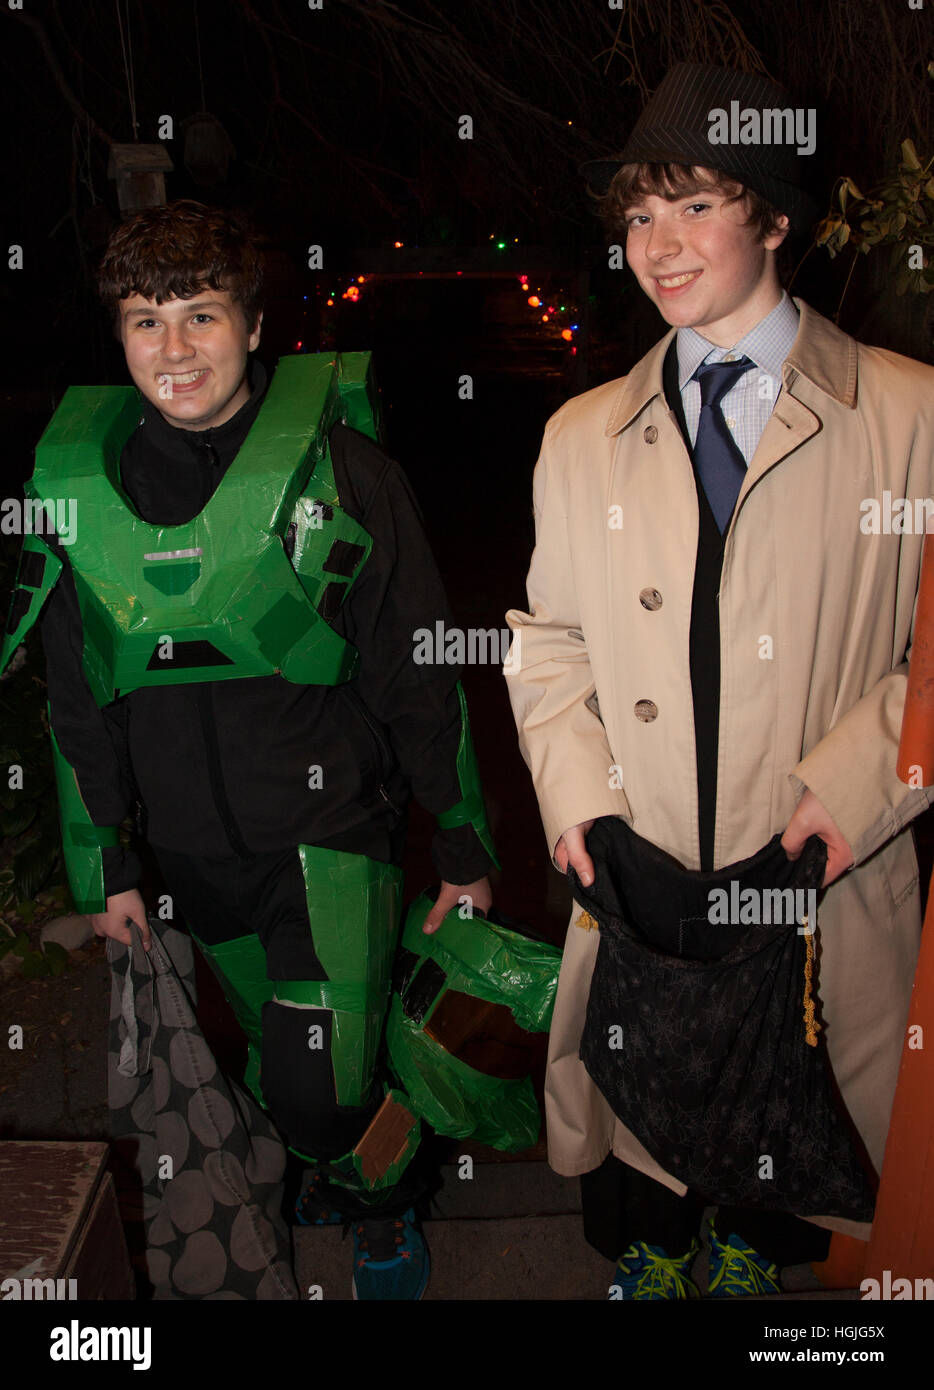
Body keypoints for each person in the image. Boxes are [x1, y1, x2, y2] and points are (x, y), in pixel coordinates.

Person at [1, 199, 496, 1301]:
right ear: (118, 337)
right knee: (281, 1070)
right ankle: (330, 1157)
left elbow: (416, 668)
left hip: (328, 841)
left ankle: (385, 1194)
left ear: (256, 325)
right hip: (187, 856)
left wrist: (459, 837)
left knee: (321, 1089)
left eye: (200, 315)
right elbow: (77, 702)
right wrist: (110, 868)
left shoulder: (348, 474)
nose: (172, 351)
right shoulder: (79, 495)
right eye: (144, 321)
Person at [505, 63, 934, 1298]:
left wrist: (857, 786)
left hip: (819, 853)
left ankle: (756, 1249)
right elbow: (547, 637)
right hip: (635, 864)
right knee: (641, 1091)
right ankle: (653, 1246)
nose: (658, 244)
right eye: (639, 215)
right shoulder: (580, 432)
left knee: (798, 1105)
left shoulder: (906, 417)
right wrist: (574, 795)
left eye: (693, 205)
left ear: (775, 216)